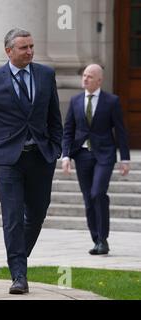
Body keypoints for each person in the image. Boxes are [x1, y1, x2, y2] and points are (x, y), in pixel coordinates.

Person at [0, 28, 63, 294]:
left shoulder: (46, 75)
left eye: (32, 46)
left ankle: (18, 254)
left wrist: (57, 147)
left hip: (42, 157)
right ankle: (19, 274)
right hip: (8, 159)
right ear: (8, 51)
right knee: (12, 217)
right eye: (24, 48)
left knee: (37, 212)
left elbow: (55, 116)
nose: (30, 51)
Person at [62, 64, 130, 255]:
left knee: (98, 193)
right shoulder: (75, 101)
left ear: (99, 80)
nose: (85, 79)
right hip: (82, 154)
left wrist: (124, 158)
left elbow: (121, 130)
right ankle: (97, 240)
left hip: (104, 154)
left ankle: (103, 238)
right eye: (84, 75)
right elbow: (68, 130)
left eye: (90, 76)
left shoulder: (111, 101)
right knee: (88, 198)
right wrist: (66, 155)